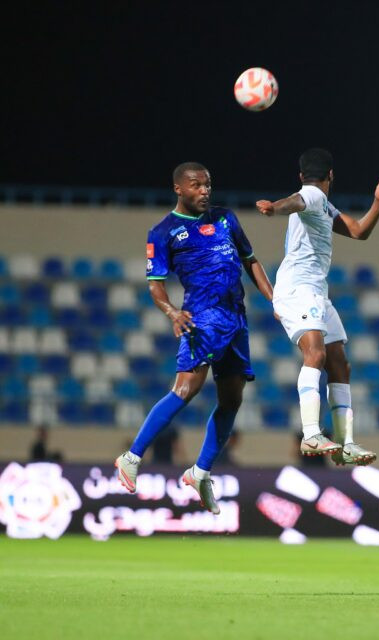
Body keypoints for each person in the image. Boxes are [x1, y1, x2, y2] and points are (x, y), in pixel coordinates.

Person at [115, 162, 272, 513]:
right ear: (179, 189)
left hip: (236, 318)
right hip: (201, 318)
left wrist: (274, 300)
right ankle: (131, 456)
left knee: (232, 400)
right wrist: (172, 312)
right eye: (196, 185)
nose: (204, 191)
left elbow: (251, 260)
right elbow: (155, 285)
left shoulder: (226, 219)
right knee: (185, 389)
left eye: (208, 185)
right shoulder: (164, 231)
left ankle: (200, 472)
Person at [256, 148, 379, 466]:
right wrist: (274, 207)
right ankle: (311, 433)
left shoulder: (324, 206)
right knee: (317, 354)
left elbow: (358, 231)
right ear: (331, 175)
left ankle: (344, 443)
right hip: (298, 290)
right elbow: (294, 202)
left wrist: (377, 204)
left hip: (317, 293)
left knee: (340, 363)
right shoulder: (310, 195)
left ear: (301, 174)